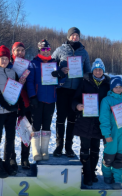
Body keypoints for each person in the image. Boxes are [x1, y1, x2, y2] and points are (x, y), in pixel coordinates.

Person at [0, 45, 25, 179]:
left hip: (11, 112)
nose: (4, 61)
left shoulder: (12, 72)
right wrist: (7, 106)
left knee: (10, 137)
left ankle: (8, 160)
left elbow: (16, 91)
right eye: (1, 58)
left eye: (6, 58)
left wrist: (19, 107)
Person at [51, 27, 91, 157]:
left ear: (79, 37)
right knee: (61, 118)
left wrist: (82, 75)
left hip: (76, 91)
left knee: (72, 119)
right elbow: (51, 66)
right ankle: (58, 146)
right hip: (63, 89)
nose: (74, 37)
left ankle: (69, 146)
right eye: (72, 35)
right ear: (68, 37)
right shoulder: (60, 50)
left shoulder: (84, 53)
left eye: (77, 35)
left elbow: (88, 72)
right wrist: (60, 70)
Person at [72, 58, 111, 186]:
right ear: (92, 70)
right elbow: (75, 99)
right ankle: (87, 174)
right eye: (96, 69)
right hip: (85, 121)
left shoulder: (108, 84)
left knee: (95, 148)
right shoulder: (85, 82)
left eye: (100, 70)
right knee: (84, 148)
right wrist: (77, 106)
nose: (98, 72)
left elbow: (114, 99)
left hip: (99, 122)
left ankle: (93, 172)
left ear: (103, 71)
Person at [26, 39, 63, 161]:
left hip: (50, 99)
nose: (46, 52)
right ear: (39, 50)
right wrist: (32, 97)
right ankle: (36, 151)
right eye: (43, 49)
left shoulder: (54, 63)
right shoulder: (33, 63)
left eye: (48, 49)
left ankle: (44, 150)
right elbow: (29, 82)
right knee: (36, 124)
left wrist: (60, 76)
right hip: (37, 99)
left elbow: (59, 84)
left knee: (47, 124)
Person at [9, 42, 32, 169]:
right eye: (17, 50)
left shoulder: (28, 65)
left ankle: (25, 158)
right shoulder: (8, 64)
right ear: (13, 51)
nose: (20, 53)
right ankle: (12, 158)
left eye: (22, 50)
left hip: (26, 103)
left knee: (26, 131)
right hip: (12, 103)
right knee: (11, 133)